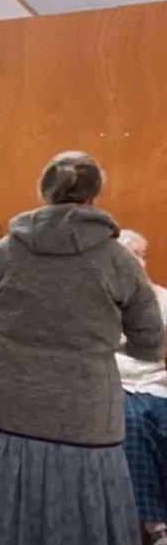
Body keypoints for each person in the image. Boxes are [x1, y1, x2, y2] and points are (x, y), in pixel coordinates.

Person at [0, 151, 166, 544]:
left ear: (44, 193)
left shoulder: (5, 252)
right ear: (95, 197)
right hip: (85, 424)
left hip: (7, 420)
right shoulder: (118, 260)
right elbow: (150, 343)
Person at [117, 230, 167, 545]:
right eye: (133, 254)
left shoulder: (160, 297)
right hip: (117, 382)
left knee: (161, 420)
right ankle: (154, 524)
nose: (141, 261)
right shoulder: (104, 297)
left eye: (143, 253)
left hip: (154, 382)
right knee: (131, 424)